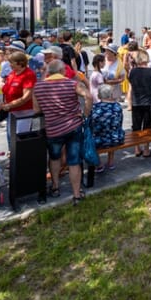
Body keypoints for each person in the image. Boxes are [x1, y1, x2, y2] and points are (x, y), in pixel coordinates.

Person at [33, 60, 92, 204]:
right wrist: (85, 114)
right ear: (62, 71)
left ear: (48, 72)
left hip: (53, 128)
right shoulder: (72, 84)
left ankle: (55, 187)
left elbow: (36, 110)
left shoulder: (38, 87)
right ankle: (76, 194)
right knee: (74, 161)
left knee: (54, 158)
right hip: (73, 127)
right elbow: (88, 96)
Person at [128, 50, 151, 157]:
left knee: (136, 126)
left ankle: (137, 148)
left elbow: (131, 84)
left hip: (136, 102)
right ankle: (146, 150)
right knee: (147, 127)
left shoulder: (132, 72)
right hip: (149, 102)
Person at [90, 83, 125, 171]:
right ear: (110, 95)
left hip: (99, 141)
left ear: (99, 95)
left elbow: (92, 126)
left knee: (92, 136)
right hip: (116, 139)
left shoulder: (94, 108)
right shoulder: (117, 107)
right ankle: (110, 162)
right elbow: (119, 124)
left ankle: (98, 164)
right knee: (113, 130)